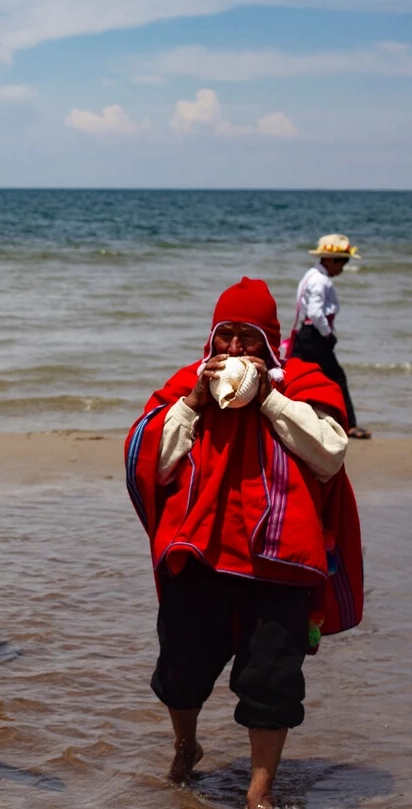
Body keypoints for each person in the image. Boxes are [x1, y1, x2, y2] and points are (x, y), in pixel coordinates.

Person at [125, 277, 363, 809]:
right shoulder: (189, 383)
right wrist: (191, 403)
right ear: (211, 340)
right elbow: (151, 462)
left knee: (271, 683)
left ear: (270, 340)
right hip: (201, 554)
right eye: (225, 337)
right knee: (180, 670)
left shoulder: (302, 382)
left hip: (282, 561)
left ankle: (260, 791)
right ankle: (186, 746)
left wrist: (271, 399)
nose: (234, 349)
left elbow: (330, 454)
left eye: (247, 338)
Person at [289, 233, 369, 438]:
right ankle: (348, 424)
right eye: (343, 263)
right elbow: (316, 312)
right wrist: (326, 334)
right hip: (315, 338)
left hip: (305, 335)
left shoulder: (310, 275)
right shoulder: (321, 281)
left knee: (296, 377)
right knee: (337, 378)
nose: (343, 268)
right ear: (331, 260)